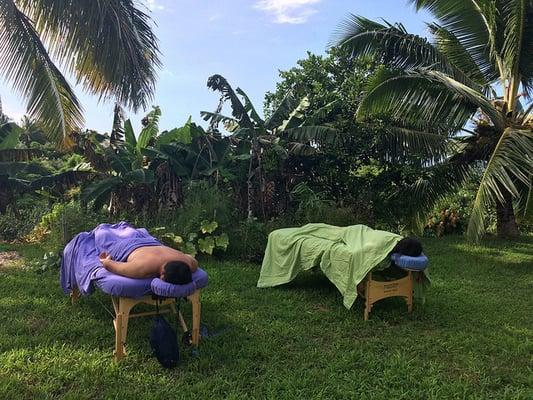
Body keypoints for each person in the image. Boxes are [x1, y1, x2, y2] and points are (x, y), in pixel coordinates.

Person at [99, 245, 198, 285]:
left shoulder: (188, 262)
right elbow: (108, 264)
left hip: (151, 242)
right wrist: (106, 259)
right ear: (162, 274)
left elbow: (192, 259)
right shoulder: (142, 268)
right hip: (127, 246)